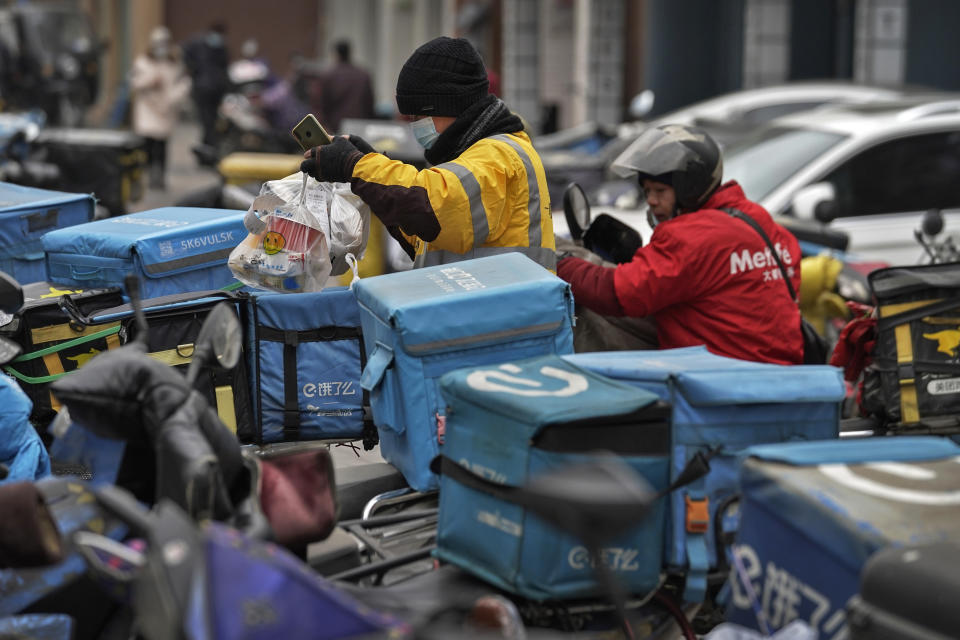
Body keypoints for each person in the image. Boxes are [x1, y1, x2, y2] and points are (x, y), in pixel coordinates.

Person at [300, 36, 555, 272]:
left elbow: (433, 205)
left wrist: (356, 166)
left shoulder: (499, 156)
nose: (415, 124)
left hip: (504, 317)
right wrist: (369, 174)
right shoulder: (473, 154)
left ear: (449, 105)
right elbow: (425, 235)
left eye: (419, 115)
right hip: (483, 312)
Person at [556, 124, 803, 364]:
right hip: (777, 365)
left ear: (691, 189)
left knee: (586, 315)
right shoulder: (759, 222)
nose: (651, 201)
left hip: (718, 375)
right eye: (647, 191)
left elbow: (617, 294)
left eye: (660, 191)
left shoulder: (690, 236)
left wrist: (562, 263)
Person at [129, 27, 191, 189]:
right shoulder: (142, 62)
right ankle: (148, 174)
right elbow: (134, 83)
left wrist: (173, 99)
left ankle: (160, 176)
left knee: (162, 146)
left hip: (166, 110)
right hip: (147, 109)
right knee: (148, 144)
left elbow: (183, 85)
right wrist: (150, 81)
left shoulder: (174, 64)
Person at [182, 23, 230, 147]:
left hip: (216, 90)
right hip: (202, 89)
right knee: (206, 119)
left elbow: (225, 68)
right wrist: (193, 70)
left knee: (212, 120)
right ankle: (208, 144)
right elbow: (184, 54)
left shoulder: (221, 48)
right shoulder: (197, 44)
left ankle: (208, 144)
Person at [311, 40, 374, 133]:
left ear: (336, 54)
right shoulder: (363, 75)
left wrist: (323, 126)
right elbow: (369, 104)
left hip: (335, 128)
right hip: (359, 127)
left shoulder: (328, 76)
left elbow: (320, 105)